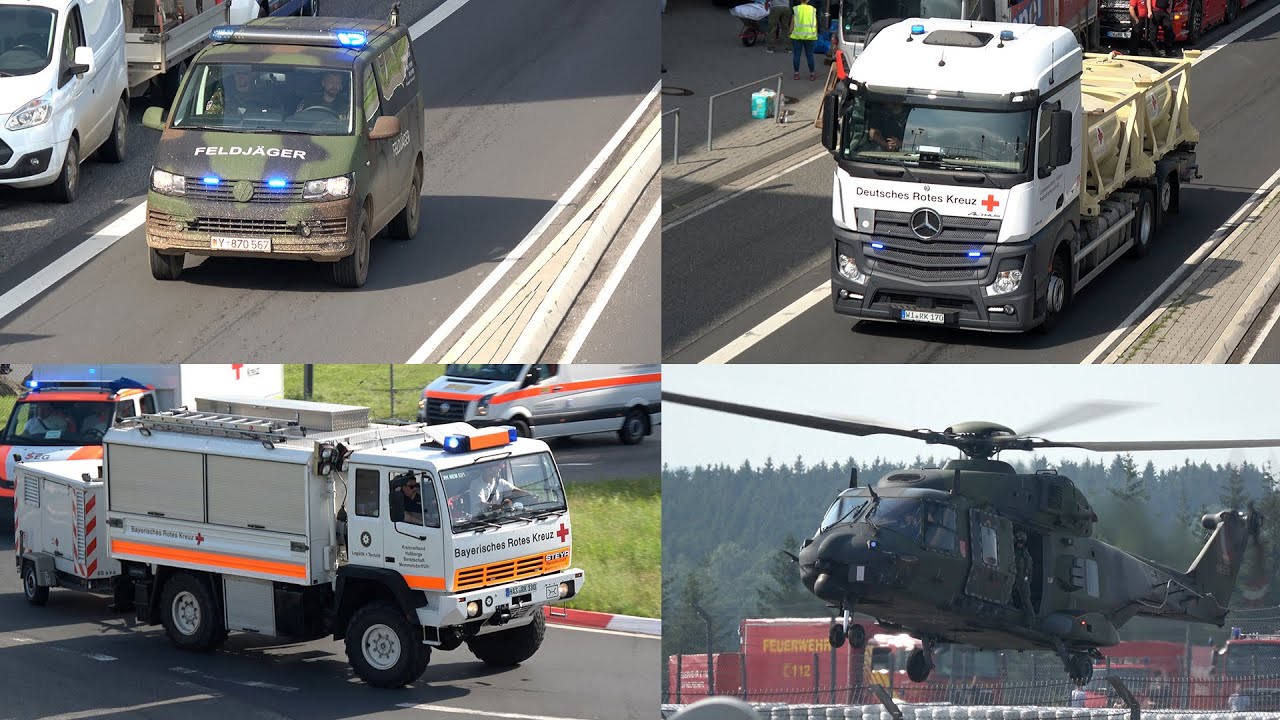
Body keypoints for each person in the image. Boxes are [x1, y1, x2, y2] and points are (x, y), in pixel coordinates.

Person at [205, 67, 275, 116]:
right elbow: (210, 117)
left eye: (244, 74)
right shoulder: (222, 95)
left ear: (251, 76)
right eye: (237, 73)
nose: (240, 76)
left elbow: (274, 115)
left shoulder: (263, 96)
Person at [791, 0, 819, 81]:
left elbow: (792, 22)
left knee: (797, 55)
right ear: (808, 0)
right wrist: (816, 33)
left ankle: (796, 74)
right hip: (810, 36)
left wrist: (790, 32)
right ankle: (812, 74)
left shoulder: (795, 9)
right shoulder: (813, 9)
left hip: (797, 35)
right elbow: (816, 23)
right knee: (809, 55)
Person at [1013, 530, 1036, 627]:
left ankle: (1030, 622)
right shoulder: (1013, 551)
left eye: (1021, 542)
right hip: (1013, 577)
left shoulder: (1026, 556)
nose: (1019, 544)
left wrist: (1025, 580)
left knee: (1026, 601)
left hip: (1022, 580)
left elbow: (1028, 571)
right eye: (1018, 542)